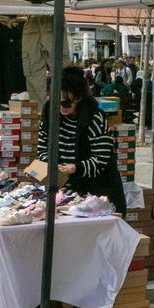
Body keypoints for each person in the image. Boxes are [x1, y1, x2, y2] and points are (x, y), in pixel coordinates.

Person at [48, 68, 125, 213]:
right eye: (56, 102)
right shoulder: (49, 115)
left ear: (78, 98)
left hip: (97, 190)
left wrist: (76, 167)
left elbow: (102, 158)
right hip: (66, 191)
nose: (61, 108)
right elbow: (43, 148)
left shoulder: (93, 117)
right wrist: (51, 165)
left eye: (66, 103)